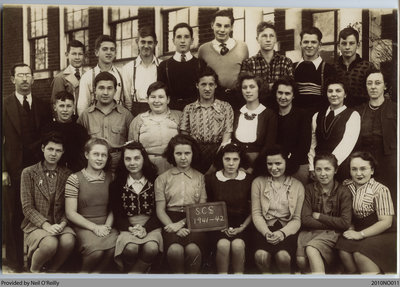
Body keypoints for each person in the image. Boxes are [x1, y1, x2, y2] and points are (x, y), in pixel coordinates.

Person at [2, 63, 52, 271]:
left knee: (39, 212)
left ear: (33, 79)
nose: (24, 79)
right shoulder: (4, 104)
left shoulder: (43, 105)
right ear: (12, 79)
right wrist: (3, 169)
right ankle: (14, 262)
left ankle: (37, 259)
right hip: (12, 169)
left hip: (37, 168)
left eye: (28, 75)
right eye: (20, 76)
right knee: (13, 214)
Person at [20, 132, 76, 273]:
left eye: (58, 150)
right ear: (43, 148)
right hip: (35, 225)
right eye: (50, 149)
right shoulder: (29, 173)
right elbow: (27, 208)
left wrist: (62, 224)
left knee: (69, 240)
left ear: (63, 152)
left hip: (59, 223)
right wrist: (46, 225)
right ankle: (34, 271)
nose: (53, 154)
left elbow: (68, 206)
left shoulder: (68, 174)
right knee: (50, 243)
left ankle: (52, 272)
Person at [336, 151, 396, 274]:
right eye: (354, 169)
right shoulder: (347, 185)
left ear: (372, 170)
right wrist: (351, 227)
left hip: (383, 232)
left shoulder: (380, 190)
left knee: (361, 254)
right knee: (343, 250)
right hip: (356, 229)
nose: (358, 173)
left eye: (363, 169)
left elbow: (386, 222)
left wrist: (360, 234)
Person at [155, 134, 207, 273]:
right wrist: (173, 226)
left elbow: (201, 207)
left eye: (187, 153)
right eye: (178, 153)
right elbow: (160, 210)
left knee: (192, 249)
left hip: (195, 220)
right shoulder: (162, 178)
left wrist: (183, 224)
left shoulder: (201, 178)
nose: (183, 157)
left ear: (193, 154)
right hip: (169, 221)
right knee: (174, 250)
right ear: (172, 155)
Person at [65, 138, 118, 273]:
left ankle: (95, 276)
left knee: (114, 247)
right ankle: (83, 275)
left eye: (104, 155)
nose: (100, 158)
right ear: (87, 155)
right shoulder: (74, 178)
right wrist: (94, 228)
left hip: (106, 225)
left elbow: (114, 208)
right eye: (96, 154)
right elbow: (70, 213)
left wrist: (107, 226)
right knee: (96, 252)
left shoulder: (111, 177)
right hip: (83, 226)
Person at [109, 142, 162, 273]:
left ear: (144, 159)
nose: (132, 162)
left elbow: (159, 211)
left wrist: (146, 229)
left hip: (151, 225)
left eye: (137, 158)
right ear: (123, 161)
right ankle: (132, 270)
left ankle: (133, 276)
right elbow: (117, 214)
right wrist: (130, 228)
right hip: (127, 225)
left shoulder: (156, 181)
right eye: (128, 159)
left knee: (151, 248)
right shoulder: (117, 184)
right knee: (130, 248)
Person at [251, 146, 305, 273]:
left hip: (287, 230)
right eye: (269, 164)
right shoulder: (258, 182)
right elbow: (256, 214)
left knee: (283, 257)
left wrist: (282, 233)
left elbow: (297, 219)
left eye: (278, 163)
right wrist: (266, 232)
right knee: (261, 256)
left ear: (287, 162)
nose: (273, 168)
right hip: (264, 228)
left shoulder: (298, 186)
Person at [296, 153, 352, 274]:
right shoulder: (309, 189)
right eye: (318, 169)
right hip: (309, 232)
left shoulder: (344, 192)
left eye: (327, 169)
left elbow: (345, 223)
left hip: (333, 234)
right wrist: (334, 222)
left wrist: (319, 216)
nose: (322, 174)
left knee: (311, 249)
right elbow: (305, 219)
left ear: (335, 170)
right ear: (314, 171)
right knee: (301, 261)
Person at [205, 143, 253, 274]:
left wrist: (242, 227)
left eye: (235, 159)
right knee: (223, 245)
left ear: (240, 160)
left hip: (243, 224)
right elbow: (207, 207)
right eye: (227, 159)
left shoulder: (248, 180)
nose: (231, 163)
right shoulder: (211, 179)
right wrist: (220, 226)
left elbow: (254, 209)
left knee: (238, 246)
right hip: (217, 225)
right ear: (221, 160)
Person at [354, 69, 397, 206]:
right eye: (369, 83)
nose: (373, 87)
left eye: (377, 83)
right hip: (365, 163)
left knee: (391, 199)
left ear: (385, 86)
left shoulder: (395, 109)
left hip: (389, 162)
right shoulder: (358, 111)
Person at [180, 68, 233, 174]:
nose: (207, 88)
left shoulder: (225, 107)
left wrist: (215, 165)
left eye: (211, 84)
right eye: (203, 84)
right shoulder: (189, 109)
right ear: (197, 85)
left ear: (216, 86)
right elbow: (184, 138)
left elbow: (226, 140)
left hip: (218, 154)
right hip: (195, 155)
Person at [78, 72, 134, 173]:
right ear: (95, 90)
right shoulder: (85, 116)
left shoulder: (126, 115)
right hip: (93, 166)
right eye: (101, 88)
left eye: (109, 88)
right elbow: (79, 146)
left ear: (115, 91)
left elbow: (132, 144)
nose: (105, 92)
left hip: (119, 167)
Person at [308, 77, 360, 182]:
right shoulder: (317, 115)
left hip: (340, 168)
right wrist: (312, 167)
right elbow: (312, 144)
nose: (334, 94)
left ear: (345, 94)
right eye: (330, 91)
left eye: (338, 91)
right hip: (319, 170)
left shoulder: (353, 115)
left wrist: (329, 167)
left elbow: (347, 145)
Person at [198, 9, 249, 109]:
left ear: (232, 27)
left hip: (237, 99)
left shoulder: (242, 47)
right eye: (218, 25)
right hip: (213, 99)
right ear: (212, 25)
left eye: (226, 26)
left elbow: (245, 75)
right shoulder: (203, 50)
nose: (222, 30)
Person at [128, 81, 181, 174]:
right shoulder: (138, 120)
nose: (157, 101)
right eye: (153, 97)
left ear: (168, 99)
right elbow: (132, 148)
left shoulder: (179, 117)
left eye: (161, 97)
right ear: (147, 99)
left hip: (174, 166)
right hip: (146, 167)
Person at [232, 72, 277, 172]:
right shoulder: (236, 113)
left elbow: (269, 145)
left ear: (259, 89)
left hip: (260, 166)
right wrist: (241, 167)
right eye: (244, 87)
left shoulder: (269, 115)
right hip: (237, 166)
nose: (248, 91)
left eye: (252, 87)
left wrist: (253, 168)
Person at [240, 21, 293, 105]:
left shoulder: (286, 62)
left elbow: (289, 87)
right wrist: (273, 86)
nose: (268, 39)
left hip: (279, 108)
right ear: (257, 39)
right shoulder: (248, 63)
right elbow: (246, 88)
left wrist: (261, 87)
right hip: (257, 107)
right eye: (264, 36)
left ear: (275, 39)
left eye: (271, 36)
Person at [272, 76, 311, 185]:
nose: (283, 97)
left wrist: (287, 164)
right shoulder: (271, 114)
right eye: (280, 93)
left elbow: (304, 146)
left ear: (293, 95)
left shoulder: (303, 115)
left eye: (287, 93)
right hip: (275, 165)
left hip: (297, 165)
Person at [157, 23, 205, 111]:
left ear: (192, 40)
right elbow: (160, 93)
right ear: (173, 40)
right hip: (172, 113)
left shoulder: (200, 64)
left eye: (186, 37)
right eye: (179, 37)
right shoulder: (164, 66)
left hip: (196, 112)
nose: (182, 41)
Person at [42, 91, 89, 172]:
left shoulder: (80, 130)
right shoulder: (48, 129)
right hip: (53, 171)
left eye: (69, 106)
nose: (65, 110)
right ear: (55, 107)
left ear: (73, 107)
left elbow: (85, 154)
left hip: (75, 172)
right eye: (61, 106)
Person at [77, 35, 125, 116]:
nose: (109, 52)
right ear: (96, 52)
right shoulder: (87, 77)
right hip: (95, 121)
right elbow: (82, 106)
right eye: (105, 49)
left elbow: (127, 102)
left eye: (112, 49)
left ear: (115, 53)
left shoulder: (122, 74)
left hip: (117, 122)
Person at [293, 27, 336, 115]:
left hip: (318, 119)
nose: (309, 45)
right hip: (296, 120)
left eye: (313, 42)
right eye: (306, 42)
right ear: (300, 44)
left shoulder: (329, 69)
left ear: (319, 45)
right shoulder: (293, 67)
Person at [122, 26, 162, 116]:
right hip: (136, 112)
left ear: (155, 43)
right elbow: (127, 98)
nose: (146, 46)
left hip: (159, 112)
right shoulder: (128, 68)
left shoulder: (162, 66)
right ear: (137, 42)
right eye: (143, 42)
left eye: (150, 42)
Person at [334, 27, 375, 107]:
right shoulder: (333, 68)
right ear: (339, 46)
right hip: (339, 114)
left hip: (362, 114)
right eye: (344, 43)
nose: (347, 47)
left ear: (358, 45)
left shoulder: (367, 67)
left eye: (351, 43)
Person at [51, 40, 88, 109]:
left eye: (80, 54)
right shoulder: (60, 78)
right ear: (67, 55)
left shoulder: (88, 76)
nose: (77, 57)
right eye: (74, 54)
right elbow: (56, 106)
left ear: (84, 55)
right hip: (69, 118)